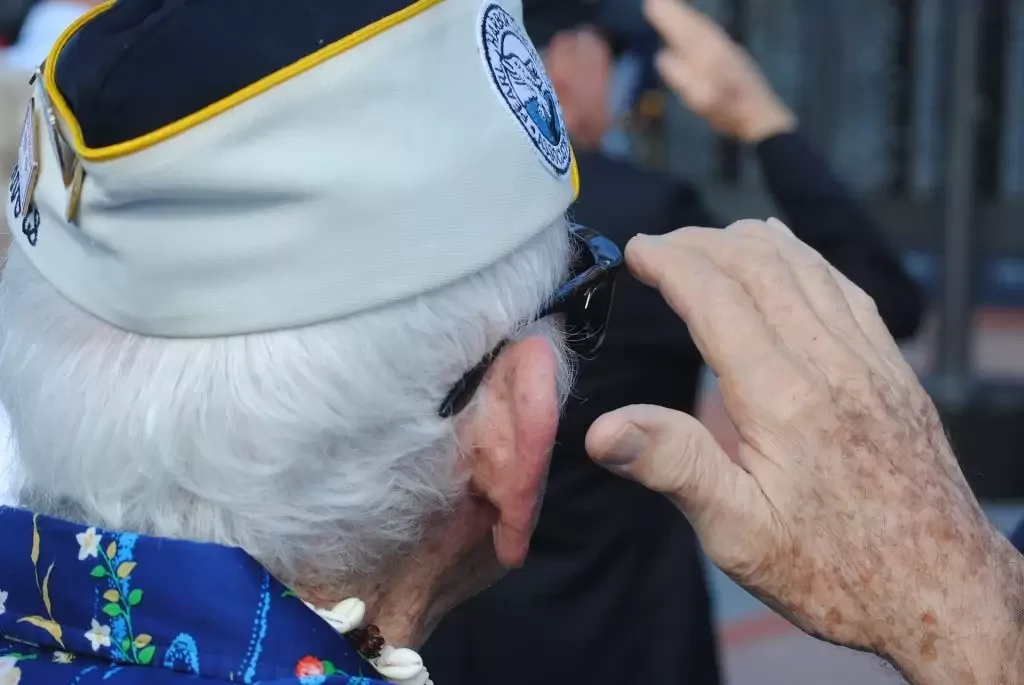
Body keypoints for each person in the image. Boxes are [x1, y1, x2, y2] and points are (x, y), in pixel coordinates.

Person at [1, 3, 1019, 685]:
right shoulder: (664, 207)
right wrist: (968, 617)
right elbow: (884, 294)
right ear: (515, 430)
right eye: (582, 293)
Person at [424, 1, 923, 684]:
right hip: (631, 633)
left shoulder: (430, 216)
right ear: (565, 61)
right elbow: (879, 298)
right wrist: (761, 120)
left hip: (459, 633)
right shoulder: (646, 221)